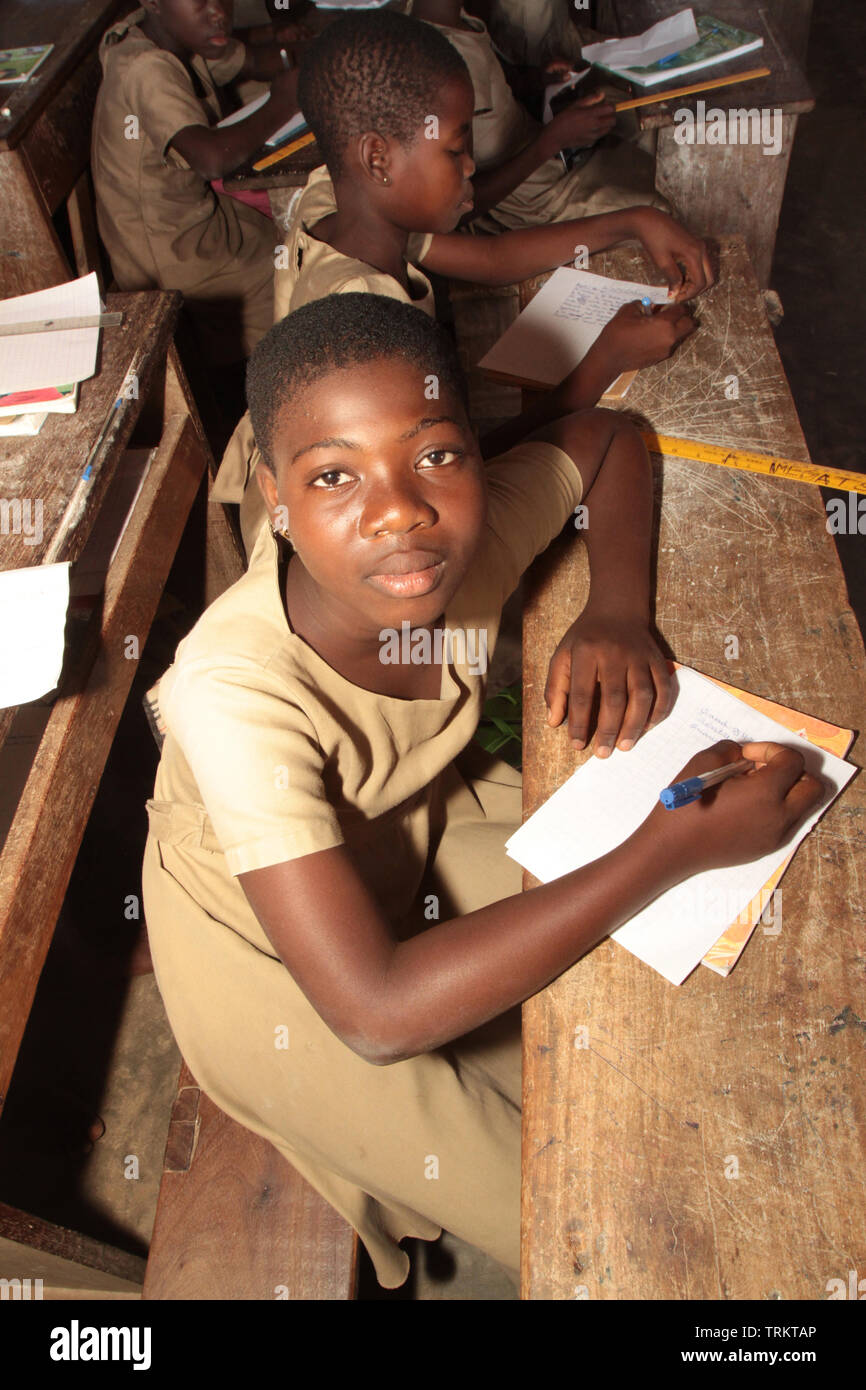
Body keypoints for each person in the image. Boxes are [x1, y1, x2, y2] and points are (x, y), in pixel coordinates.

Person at [142, 292, 822, 1289]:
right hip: (265, 950)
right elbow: (375, 1012)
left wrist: (617, 611)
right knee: (585, 1197)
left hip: (401, 820)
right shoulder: (231, 691)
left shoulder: (450, 544)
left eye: (435, 455)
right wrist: (666, 844)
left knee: (660, 1009)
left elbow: (604, 437)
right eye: (334, 473)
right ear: (272, 498)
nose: (398, 508)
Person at [214, 8, 710, 551]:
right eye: (455, 148)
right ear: (378, 159)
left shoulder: (334, 198)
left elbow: (493, 258)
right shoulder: (365, 309)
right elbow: (456, 470)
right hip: (340, 545)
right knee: (609, 453)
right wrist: (605, 360)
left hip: (307, 489)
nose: (472, 166)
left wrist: (633, 221)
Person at [91, 0, 303, 366]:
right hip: (175, 259)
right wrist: (282, 103)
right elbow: (211, 158)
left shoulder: (172, 32)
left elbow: (252, 60)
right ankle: (282, 381)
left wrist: (305, 55)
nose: (219, 11)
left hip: (198, 224)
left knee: (301, 236)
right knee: (305, 283)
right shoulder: (146, 68)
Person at [408, 0, 665, 232]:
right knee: (663, 208)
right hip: (533, 201)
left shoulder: (452, 16)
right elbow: (454, 208)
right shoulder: (431, 59)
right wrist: (551, 141)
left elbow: (492, 82)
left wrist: (538, 80)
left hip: (548, 155)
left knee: (653, 126)